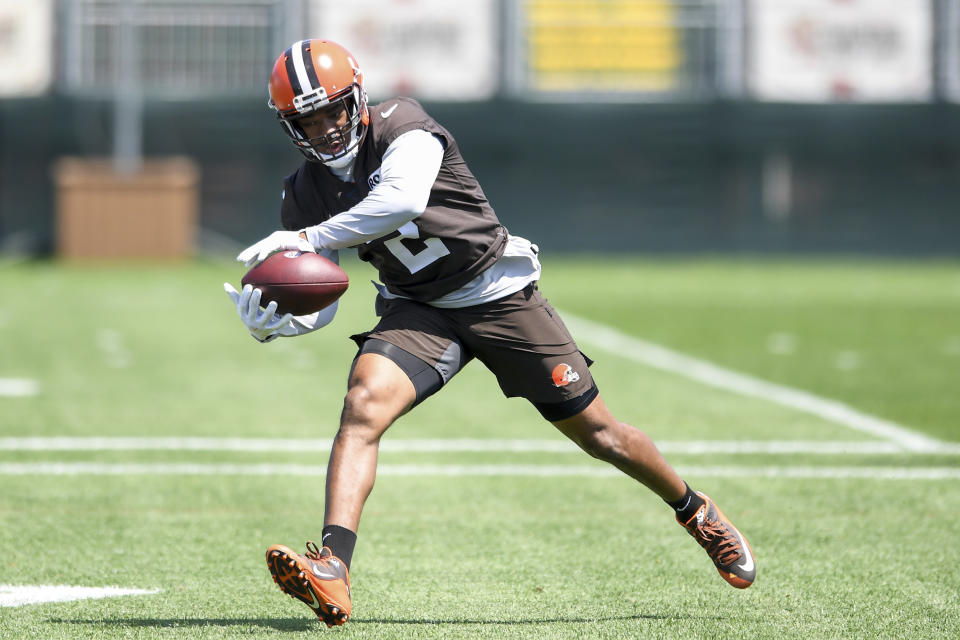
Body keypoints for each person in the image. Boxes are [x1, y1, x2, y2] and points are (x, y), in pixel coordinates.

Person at [224, 39, 756, 628]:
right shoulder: (302, 193)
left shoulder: (405, 125)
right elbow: (325, 292)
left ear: (358, 97)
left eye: (331, 112)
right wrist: (281, 320)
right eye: (307, 120)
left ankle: (695, 510)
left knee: (602, 436)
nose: (324, 130)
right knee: (362, 406)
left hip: (495, 293)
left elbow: (400, 201)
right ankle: (333, 569)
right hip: (418, 308)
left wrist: (312, 239)